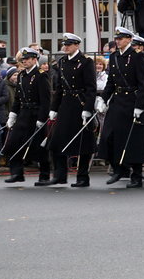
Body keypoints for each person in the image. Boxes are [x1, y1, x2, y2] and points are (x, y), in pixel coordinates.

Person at [96, 27, 144, 188]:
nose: (117, 41)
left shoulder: (137, 57)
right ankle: (119, 168)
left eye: (121, 38)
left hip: (132, 101)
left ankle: (137, 175)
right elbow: (111, 82)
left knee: (132, 139)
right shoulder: (114, 57)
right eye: (117, 38)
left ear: (129, 40)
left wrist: (139, 106)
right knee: (108, 136)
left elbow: (143, 84)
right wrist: (103, 99)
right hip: (117, 102)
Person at [43, 33, 97, 187]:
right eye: (64, 44)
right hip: (66, 106)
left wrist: (87, 108)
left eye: (69, 44)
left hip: (80, 106)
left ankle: (82, 177)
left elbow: (91, 88)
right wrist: (54, 108)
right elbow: (59, 88)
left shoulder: (85, 62)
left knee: (83, 143)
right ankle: (60, 175)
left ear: (77, 45)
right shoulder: (62, 62)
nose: (65, 47)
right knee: (56, 141)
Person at [1, 47, 51, 184]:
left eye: (27, 59)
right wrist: (12, 114)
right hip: (23, 113)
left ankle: (45, 175)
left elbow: (46, 100)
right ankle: (17, 173)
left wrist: (42, 118)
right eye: (23, 59)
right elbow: (18, 98)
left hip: (36, 114)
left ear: (35, 59)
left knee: (39, 147)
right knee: (13, 142)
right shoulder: (22, 75)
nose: (24, 61)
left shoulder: (41, 75)